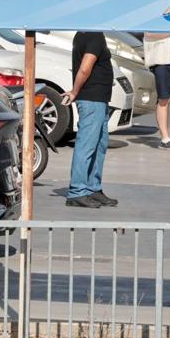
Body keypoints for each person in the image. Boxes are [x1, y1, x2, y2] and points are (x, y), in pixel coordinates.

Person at [63, 31, 117, 208]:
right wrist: (75, 91)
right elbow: (85, 67)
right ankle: (77, 191)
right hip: (92, 99)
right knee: (87, 145)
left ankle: (93, 188)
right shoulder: (94, 36)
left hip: (99, 99)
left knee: (99, 145)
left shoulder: (84, 34)